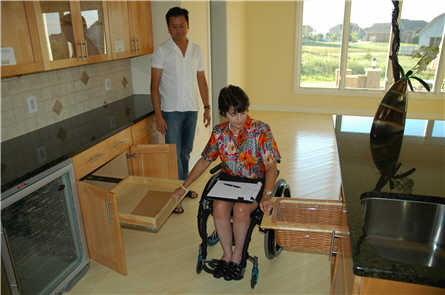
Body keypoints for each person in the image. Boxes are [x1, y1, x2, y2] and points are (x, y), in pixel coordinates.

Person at [171, 85, 280, 280]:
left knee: (240, 210)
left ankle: (238, 255)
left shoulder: (261, 130)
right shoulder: (219, 132)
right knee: (218, 207)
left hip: (256, 181)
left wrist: (268, 195)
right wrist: (183, 187)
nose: (239, 119)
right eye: (233, 115)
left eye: (242, 112)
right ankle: (227, 254)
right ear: (223, 114)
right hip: (229, 180)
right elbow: (205, 160)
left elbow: (271, 167)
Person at [151, 7, 211, 214]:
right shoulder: (162, 51)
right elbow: (154, 86)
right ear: (168, 28)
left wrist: (206, 107)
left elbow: (201, 80)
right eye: (174, 26)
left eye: (182, 26)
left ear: (188, 25)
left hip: (191, 109)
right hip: (171, 111)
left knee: (185, 152)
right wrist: (158, 115)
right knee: (174, 155)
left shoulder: (196, 49)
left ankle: (183, 188)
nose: (178, 30)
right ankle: (175, 197)